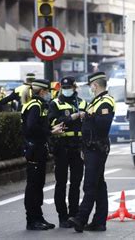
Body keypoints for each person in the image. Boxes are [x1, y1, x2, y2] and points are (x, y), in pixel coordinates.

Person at [68, 72, 115, 233]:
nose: (90, 88)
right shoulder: (95, 102)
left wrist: (87, 116)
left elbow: (102, 125)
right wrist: (83, 148)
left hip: (97, 147)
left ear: (95, 85)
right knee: (99, 184)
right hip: (90, 147)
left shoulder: (106, 102)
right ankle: (99, 222)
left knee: (90, 184)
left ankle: (81, 218)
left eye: (90, 86)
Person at [21, 79, 64, 231]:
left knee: (38, 185)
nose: (49, 94)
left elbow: (38, 126)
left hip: (38, 149)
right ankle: (32, 220)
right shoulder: (35, 105)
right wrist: (50, 132)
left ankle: (38, 217)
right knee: (33, 186)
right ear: (42, 91)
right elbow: (31, 127)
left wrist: (52, 127)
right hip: (34, 150)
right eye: (48, 91)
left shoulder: (37, 104)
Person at [48, 77, 87, 228]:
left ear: (74, 87)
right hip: (62, 147)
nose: (66, 89)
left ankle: (73, 215)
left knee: (76, 183)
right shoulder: (55, 103)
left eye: (69, 86)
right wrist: (72, 117)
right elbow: (54, 123)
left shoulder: (82, 103)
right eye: (64, 87)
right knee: (61, 183)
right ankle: (62, 217)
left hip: (78, 147)